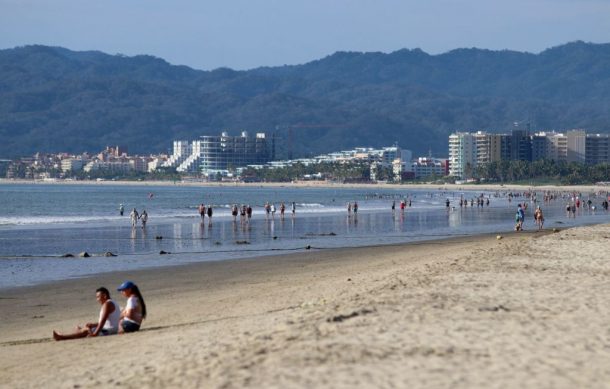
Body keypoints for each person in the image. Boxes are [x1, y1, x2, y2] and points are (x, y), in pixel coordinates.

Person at [53, 287, 120, 341]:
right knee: (80, 328)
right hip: (111, 329)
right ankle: (67, 335)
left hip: (108, 331)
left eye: (98, 297)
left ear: (105, 296)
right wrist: (93, 325)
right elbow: (108, 320)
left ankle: (62, 337)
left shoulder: (107, 304)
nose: (97, 299)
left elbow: (103, 321)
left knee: (85, 330)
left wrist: (95, 334)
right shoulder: (113, 302)